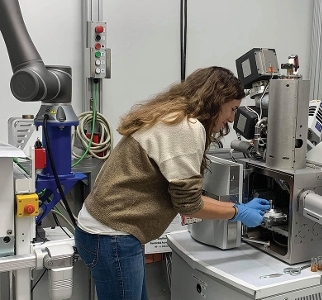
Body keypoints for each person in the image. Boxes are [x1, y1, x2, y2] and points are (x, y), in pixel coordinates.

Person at [74, 66, 270, 300]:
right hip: (112, 237)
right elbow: (189, 204)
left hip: (103, 231)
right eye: (232, 109)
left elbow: (183, 196)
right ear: (217, 101)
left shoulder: (171, 116)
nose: (231, 118)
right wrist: (237, 211)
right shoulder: (186, 127)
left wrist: (229, 208)